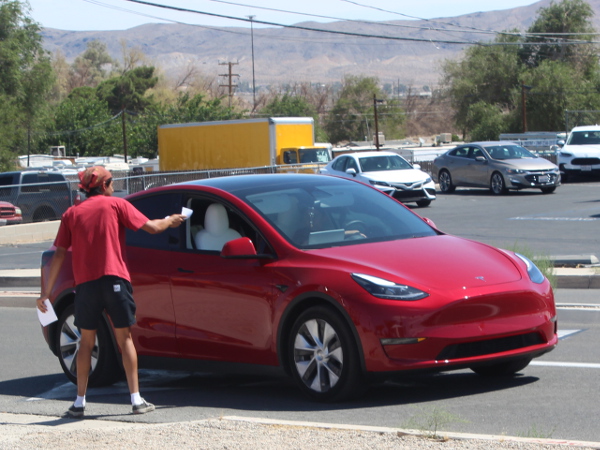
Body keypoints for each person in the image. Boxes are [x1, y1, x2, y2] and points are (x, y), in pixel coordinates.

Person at [36, 166, 186, 418]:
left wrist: (46, 293)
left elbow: (60, 252)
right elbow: (152, 228)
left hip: (85, 286)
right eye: (112, 182)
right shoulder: (115, 205)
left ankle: (79, 402)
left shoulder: (71, 214)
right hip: (115, 280)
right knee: (124, 339)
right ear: (104, 186)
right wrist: (171, 220)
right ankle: (136, 400)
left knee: (86, 342)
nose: (114, 186)